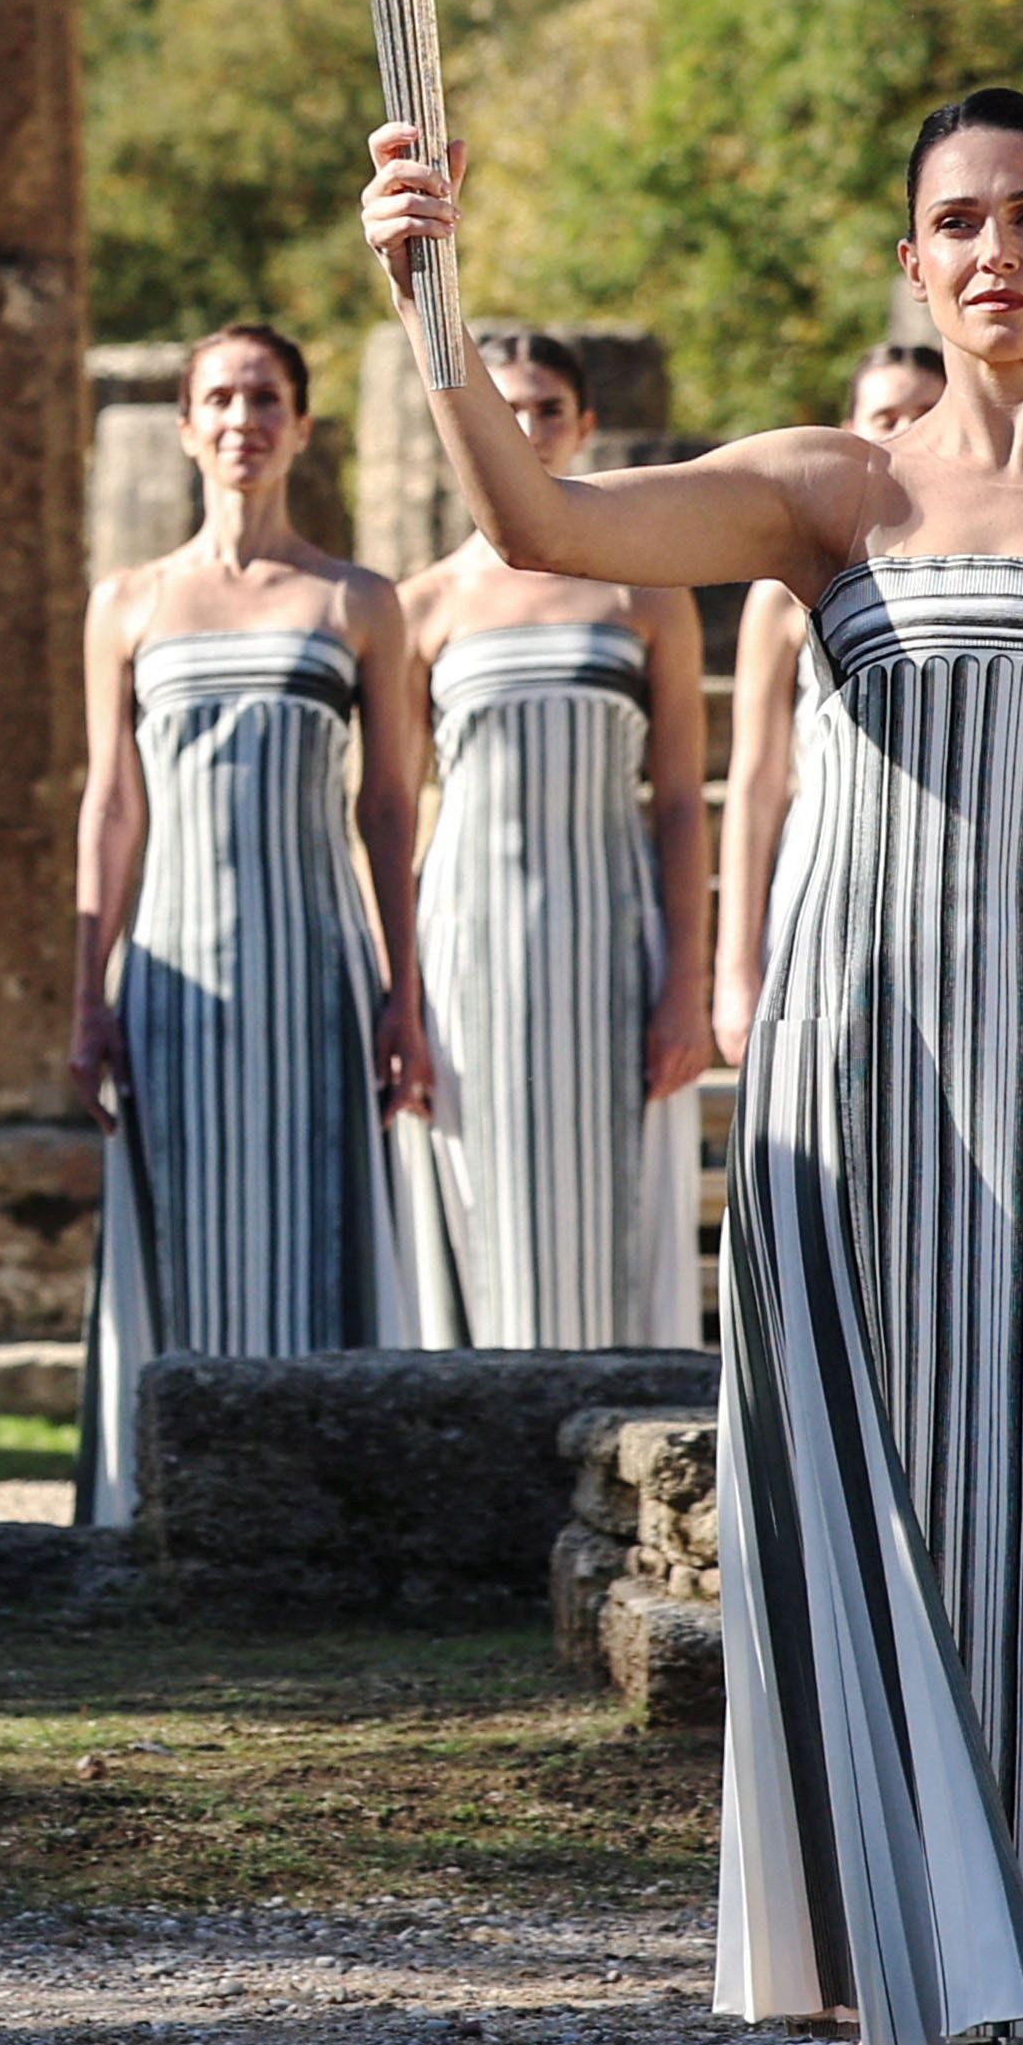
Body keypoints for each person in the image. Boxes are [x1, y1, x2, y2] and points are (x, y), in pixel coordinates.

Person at [362, 86, 1023, 2045]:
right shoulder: (828, 498)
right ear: (911, 261)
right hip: (849, 1090)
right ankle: (906, 1986)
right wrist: (431, 307)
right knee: (847, 1517)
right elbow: (550, 532)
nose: (995, 249)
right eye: (957, 219)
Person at [67, 323, 427, 1527]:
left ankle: (315, 1510)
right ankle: (167, 1510)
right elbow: (110, 803)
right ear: (184, 425)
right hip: (170, 971)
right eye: (217, 397)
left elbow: (388, 805)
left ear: (300, 427)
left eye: (265, 397)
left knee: (314, 1224)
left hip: (313, 965)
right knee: (183, 1229)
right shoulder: (125, 604)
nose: (241, 418)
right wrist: (86, 995)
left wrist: (402, 992)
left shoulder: (356, 601)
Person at [395, 328, 711, 1350]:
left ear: (580, 427)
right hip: (464, 944)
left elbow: (674, 799)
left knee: (609, 1208)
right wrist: (394, 990)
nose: (521, 428)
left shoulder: (645, 588)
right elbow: (393, 807)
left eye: (542, 409)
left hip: (609, 939)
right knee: (474, 1204)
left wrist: (684, 985)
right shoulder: (422, 606)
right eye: (501, 406)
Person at [712, 345, 944, 1063]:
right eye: (885, 415)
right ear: (850, 427)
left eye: (924, 414)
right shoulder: (786, 581)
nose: (902, 431)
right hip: (824, 868)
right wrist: (734, 969)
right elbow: (754, 783)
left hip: (950, 884)